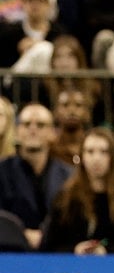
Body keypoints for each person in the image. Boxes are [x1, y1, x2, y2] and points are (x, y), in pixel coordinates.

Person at [40, 128, 114, 254]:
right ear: (82, 156)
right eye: (90, 152)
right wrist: (74, 250)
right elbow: (51, 244)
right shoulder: (66, 198)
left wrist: (106, 251)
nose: (96, 158)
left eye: (104, 152)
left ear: (113, 157)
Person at [0, 103, 73, 249]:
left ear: (52, 132)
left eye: (40, 125)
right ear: (17, 131)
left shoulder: (69, 176)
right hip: (9, 252)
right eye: (26, 124)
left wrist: (46, 235)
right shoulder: (2, 171)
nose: (32, 130)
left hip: (57, 253)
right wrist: (21, 234)